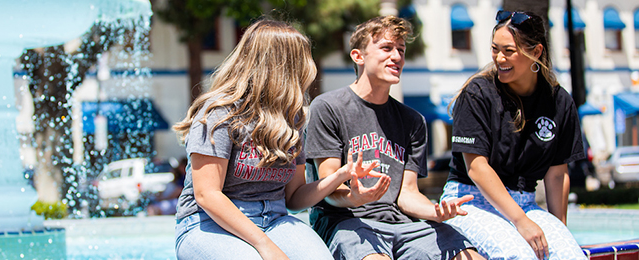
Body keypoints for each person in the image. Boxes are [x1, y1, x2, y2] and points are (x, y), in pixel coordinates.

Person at [173, 19, 384, 260]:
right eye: (302, 58)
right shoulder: (219, 112)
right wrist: (265, 246)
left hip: (274, 219)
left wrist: (339, 177)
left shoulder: (292, 118)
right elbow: (207, 195)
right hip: (207, 223)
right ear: (280, 66)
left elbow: (294, 198)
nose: (309, 67)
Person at [305, 16, 483, 260]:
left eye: (401, 50)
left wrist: (435, 211)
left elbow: (407, 194)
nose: (397, 57)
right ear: (358, 56)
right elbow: (328, 187)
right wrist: (355, 197)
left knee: (470, 256)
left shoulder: (413, 121)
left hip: (402, 224)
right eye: (386, 48)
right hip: (345, 221)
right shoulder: (328, 107)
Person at [441, 10, 587, 259]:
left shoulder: (559, 102)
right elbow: (476, 168)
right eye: (495, 49)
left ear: (536, 52)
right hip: (470, 200)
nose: (499, 58)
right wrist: (521, 221)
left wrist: (559, 230)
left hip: (525, 202)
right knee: (520, 255)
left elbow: (556, 175)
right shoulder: (477, 93)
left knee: (569, 255)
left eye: (509, 51)